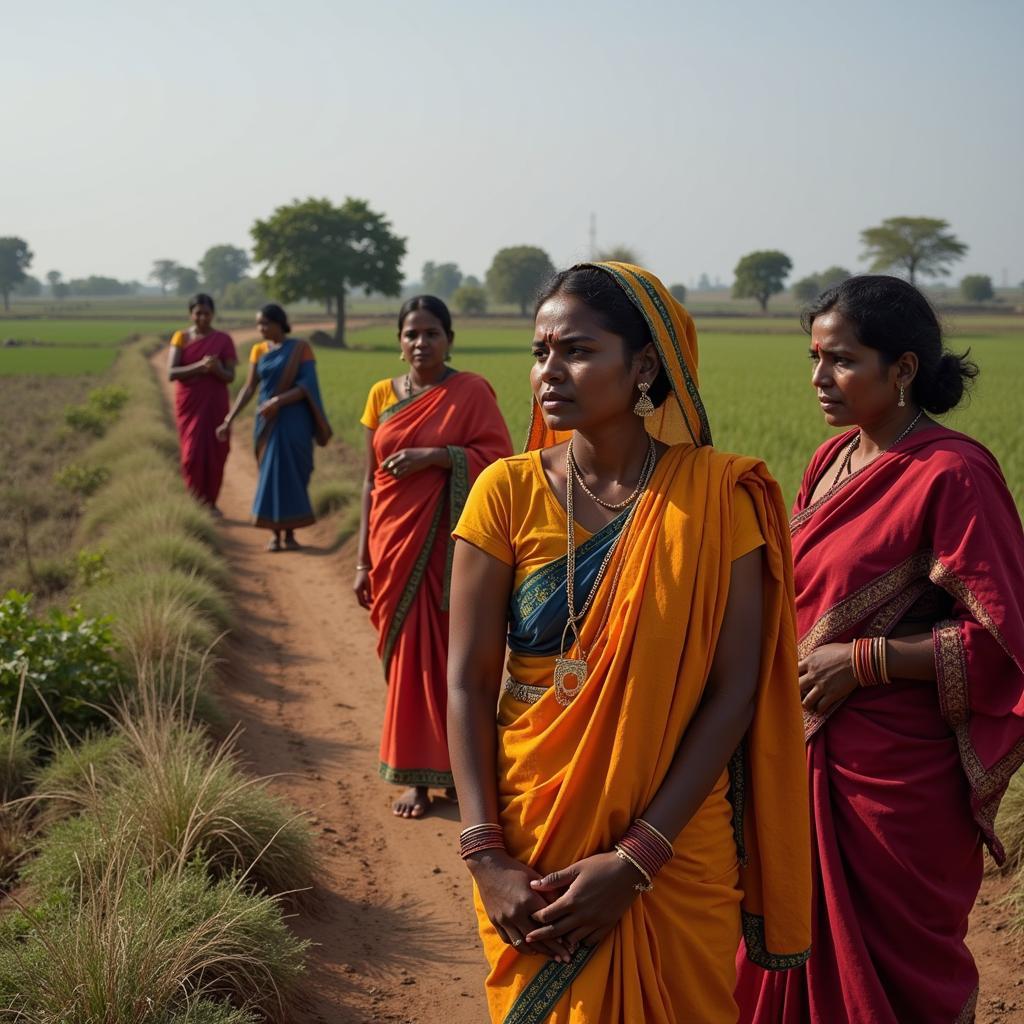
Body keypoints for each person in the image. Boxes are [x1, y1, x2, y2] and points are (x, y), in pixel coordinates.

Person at [447, 262, 811, 1023]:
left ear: (644, 365)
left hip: (674, 848)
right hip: (534, 830)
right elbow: (467, 685)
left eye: (577, 350)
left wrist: (639, 856)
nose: (550, 370)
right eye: (540, 350)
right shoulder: (504, 491)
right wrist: (485, 856)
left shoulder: (718, 496)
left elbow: (734, 689)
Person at [734, 275, 1024, 1024]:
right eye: (814, 357)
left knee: (893, 977)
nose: (818, 378)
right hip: (802, 752)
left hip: (896, 784)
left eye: (841, 360)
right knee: (784, 946)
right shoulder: (828, 463)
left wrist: (864, 661)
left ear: (901, 370)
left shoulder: (954, 473)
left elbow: (1004, 642)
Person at [354, 295, 512, 819]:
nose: (421, 343)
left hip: (449, 554)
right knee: (405, 663)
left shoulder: (470, 392)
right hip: (391, 544)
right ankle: (415, 780)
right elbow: (369, 482)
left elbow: (499, 464)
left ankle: (457, 778)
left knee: (452, 662)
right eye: (411, 334)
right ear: (399, 343)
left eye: (431, 333)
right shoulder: (381, 395)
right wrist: (361, 560)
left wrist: (438, 456)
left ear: (449, 339)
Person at [216, 304, 331, 551]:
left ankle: (290, 534)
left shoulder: (301, 349)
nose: (261, 329)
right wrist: (229, 419)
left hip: (294, 420)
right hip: (267, 422)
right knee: (270, 476)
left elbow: (307, 385)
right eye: (259, 324)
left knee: (294, 475)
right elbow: (249, 388)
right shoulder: (258, 351)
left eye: (265, 323)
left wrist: (279, 401)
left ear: (280, 323)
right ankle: (274, 535)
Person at [167, 293, 237, 513]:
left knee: (217, 451)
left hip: (215, 402)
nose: (203, 318)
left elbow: (230, 376)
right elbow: (172, 372)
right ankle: (194, 503)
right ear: (191, 314)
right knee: (191, 454)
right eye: (198, 313)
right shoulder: (181, 337)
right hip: (189, 403)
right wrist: (199, 367)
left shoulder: (223, 340)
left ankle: (211, 502)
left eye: (207, 313)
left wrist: (216, 369)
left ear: (213, 314)